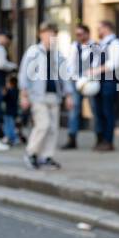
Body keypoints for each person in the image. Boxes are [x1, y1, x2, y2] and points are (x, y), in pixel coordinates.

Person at [18, 22, 72, 170]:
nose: (51, 36)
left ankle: (47, 156)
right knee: (43, 125)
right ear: (41, 34)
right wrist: (23, 94)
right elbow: (24, 74)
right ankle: (31, 153)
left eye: (54, 34)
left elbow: (64, 76)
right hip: (37, 95)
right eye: (48, 33)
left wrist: (68, 95)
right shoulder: (33, 52)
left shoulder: (58, 54)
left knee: (53, 128)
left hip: (54, 96)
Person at [89, 20, 119, 152]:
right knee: (98, 112)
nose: (98, 31)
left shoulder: (116, 43)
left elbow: (113, 64)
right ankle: (100, 139)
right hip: (97, 82)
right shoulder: (100, 44)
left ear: (107, 28)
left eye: (99, 28)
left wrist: (95, 71)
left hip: (109, 82)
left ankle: (108, 141)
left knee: (108, 112)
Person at [61, 24, 96, 150]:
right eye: (77, 34)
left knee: (94, 109)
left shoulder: (95, 46)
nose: (79, 37)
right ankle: (72, 138)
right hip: (76, 81)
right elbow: (69, 64)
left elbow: (97, 63)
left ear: (87, 33)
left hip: (90, 82)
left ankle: (99, 138)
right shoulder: (74, 46)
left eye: (81, 34)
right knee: (74, 111)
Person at [1, 75, 21, 147]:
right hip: (13, 111)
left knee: (8, 125)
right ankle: (13, 138)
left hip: (8, 111)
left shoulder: (9, 91)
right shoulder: (17, 90)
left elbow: (4, 98)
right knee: (11, 125)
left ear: (11, 83)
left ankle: (10, 138)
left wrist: (4, 92)